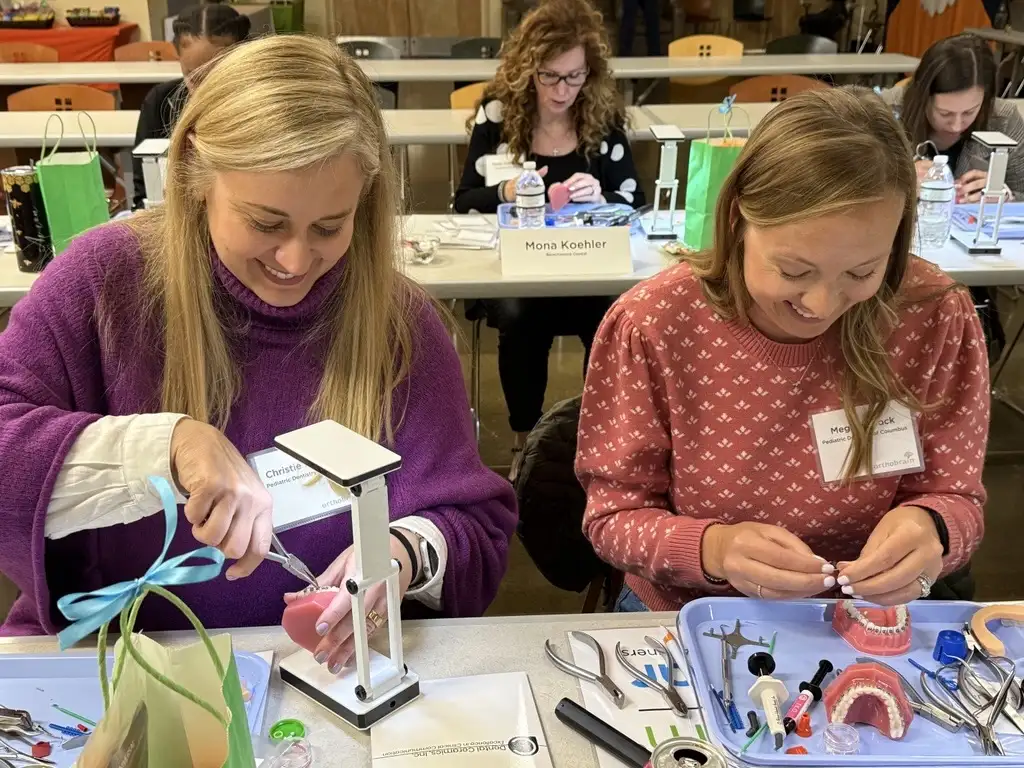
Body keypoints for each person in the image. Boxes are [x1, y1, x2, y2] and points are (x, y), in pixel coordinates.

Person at [0, 36, 517, 675]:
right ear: (193, 175)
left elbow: (473, 524)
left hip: (323, 675)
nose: (296, 261)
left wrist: (403, 552)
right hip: (116, 668)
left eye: (330, 228)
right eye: (266, 223)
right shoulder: (102, 285)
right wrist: (167, 445)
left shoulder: (397, 324)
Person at [577, 87, 988, 613]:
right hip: (694, 607)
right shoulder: (654, 324)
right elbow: (612, 519)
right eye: (794, 271)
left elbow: (959, 496)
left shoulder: (932, 316)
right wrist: (713, 550)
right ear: (736, 224)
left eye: (862, 272)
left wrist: (933, 527)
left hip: (871, 611)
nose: (821, 304)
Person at [454, 0, 645, 477]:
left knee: (612, 314)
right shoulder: (497, 117)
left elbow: (634, 200)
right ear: (528, 70)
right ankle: (525, 440)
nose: (563, 90)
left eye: (575, 77)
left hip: (586, 264)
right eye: (550, 76)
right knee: (521, 315)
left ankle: (595, 437)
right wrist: (508, 189)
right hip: (521, 266)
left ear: (590, 73)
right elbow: (465, 200)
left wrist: (602, 195)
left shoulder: (602, 123)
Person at [883, 33, 1021, 359]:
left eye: (969, 112)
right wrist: (894, 179)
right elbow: (842, 183)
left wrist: (1005, 193)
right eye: (945, 114)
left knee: (959, 344)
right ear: (922, 95)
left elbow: (1021, 191)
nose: (957, 125)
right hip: (893, 268)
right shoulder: (886, 113)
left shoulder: (1005, 120)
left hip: (968, 275)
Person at [131, 3, 250, 209]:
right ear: (178, 57)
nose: (205, 89)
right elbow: (143, 190)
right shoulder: (161, 101)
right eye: (193, 78)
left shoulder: (258, 103)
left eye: (217, 75)